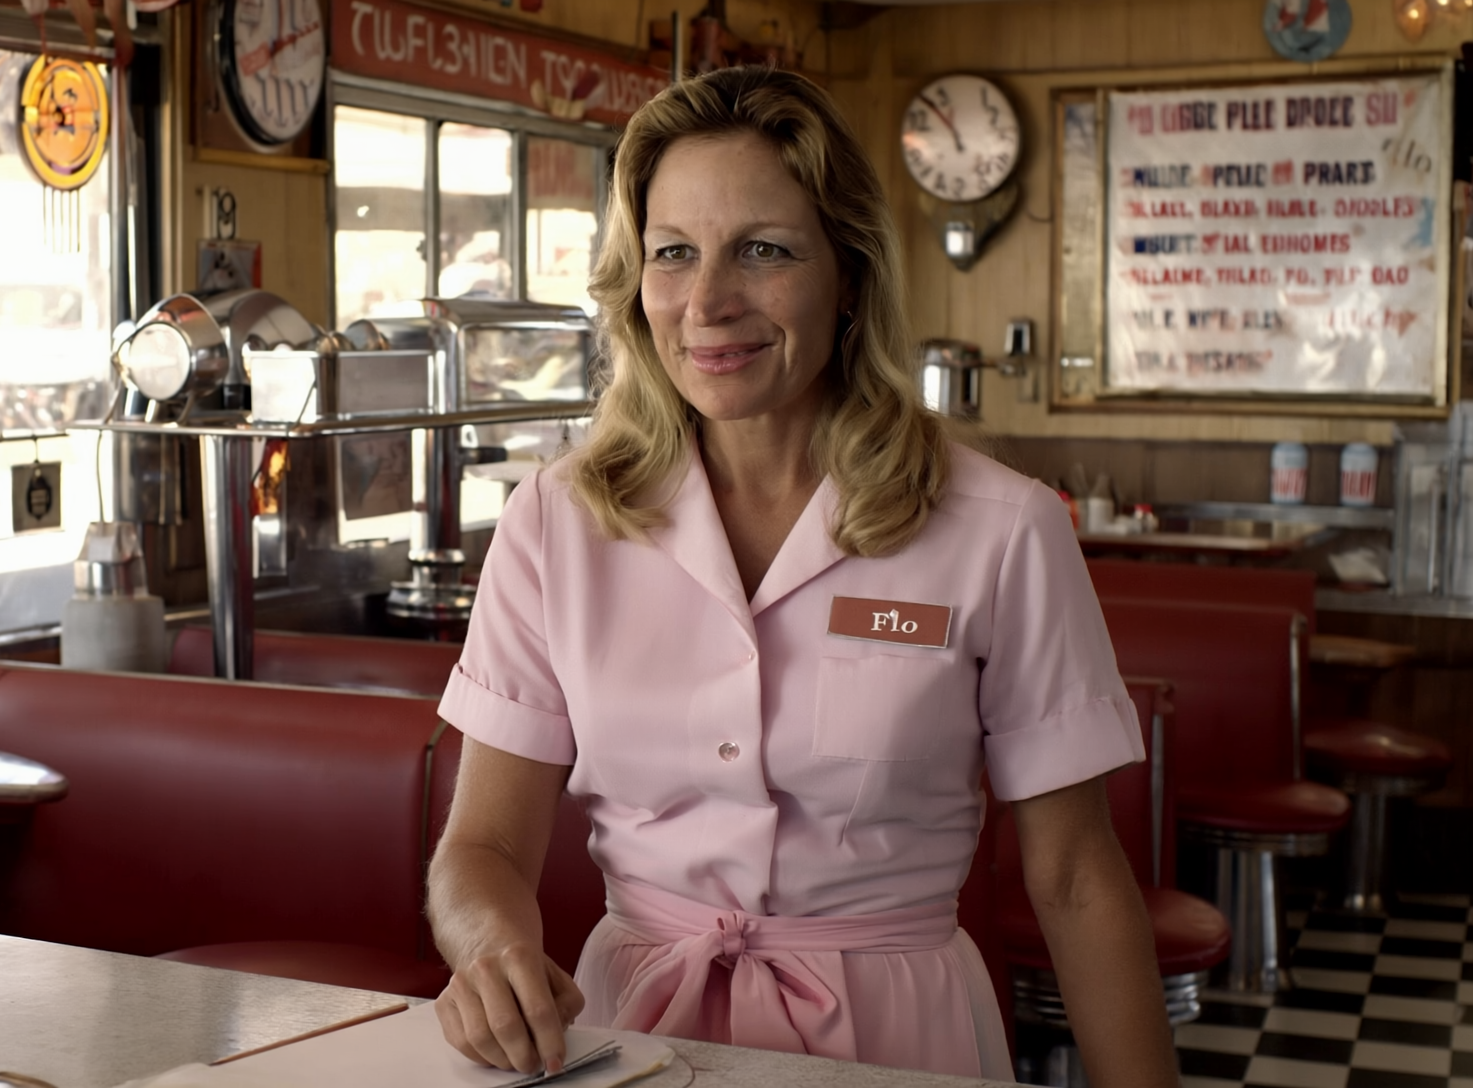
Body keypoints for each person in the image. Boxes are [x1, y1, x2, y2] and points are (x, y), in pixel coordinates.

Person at [426, 66, 1178, 1085]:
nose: (707, 301)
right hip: (626, 1038)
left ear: (850, 275)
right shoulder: (555, 521)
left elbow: (1076, 875)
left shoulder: (1004, 529)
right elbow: (483, 849)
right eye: (673, 253)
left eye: (764, 250)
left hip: (903, 1041)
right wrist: (489, 948)